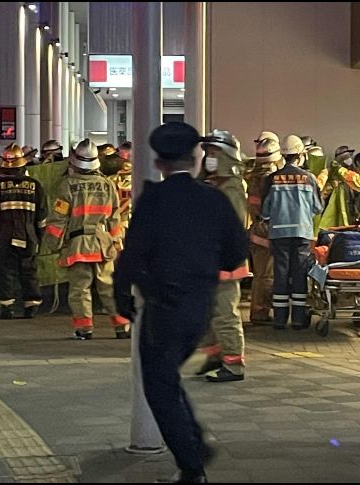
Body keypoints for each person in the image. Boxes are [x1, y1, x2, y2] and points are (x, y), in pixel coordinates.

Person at [113, 121, 248, 484]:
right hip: (200, 306)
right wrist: (205, 266)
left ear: (159, 163)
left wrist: (122, 294)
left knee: (158, 386)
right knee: (167, 380)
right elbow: (236, 254)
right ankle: (195, 450)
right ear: (196, 157)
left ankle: (192, 464)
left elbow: (133, 252)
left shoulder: (153, 200)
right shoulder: (215, 199)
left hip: (163, 306)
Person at [42, 138, 130, 340]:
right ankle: (122, 326)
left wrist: (52, 245)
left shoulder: (67, 186)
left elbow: (58, 220)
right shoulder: (108, 185)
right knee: (108, 287)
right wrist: (116, 243)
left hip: (78, 245)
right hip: (103, 243)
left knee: (80, 290)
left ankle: (84, 329)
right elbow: (115, 218)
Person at [198, 129, 249, 382]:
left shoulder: (232, 187)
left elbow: (232, 227)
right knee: (208, 312)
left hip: (225, 262)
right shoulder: (211, 185)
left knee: (225, 313)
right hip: (209, 260)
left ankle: (234, 364)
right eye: (207, 152)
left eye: (214, 153)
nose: (209, 157)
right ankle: (216, 356)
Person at [262, 135, 323, 330]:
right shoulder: (309, 178)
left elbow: (265, 211)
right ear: (300, 155)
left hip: (278, 235)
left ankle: (280, 319)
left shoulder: (271, 179)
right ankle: (298, 319)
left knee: (280, 274)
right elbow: (317, 207)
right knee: (299, 274)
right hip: (302, 233)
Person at [0, 143, 48, 319]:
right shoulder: (35, 185)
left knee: (5, 270)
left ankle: (6, 307)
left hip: (4, 235)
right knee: (28, 270)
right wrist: (39, 238)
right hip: (28, 233)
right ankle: (31, 305)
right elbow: (42, 215)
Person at [245, 137, 282, 325]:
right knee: (266, 275)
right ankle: (260, 313)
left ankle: (259, 310)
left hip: (257, 228)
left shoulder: (253, 176)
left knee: (261, 275)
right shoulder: (270, 178)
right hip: (266, 230)